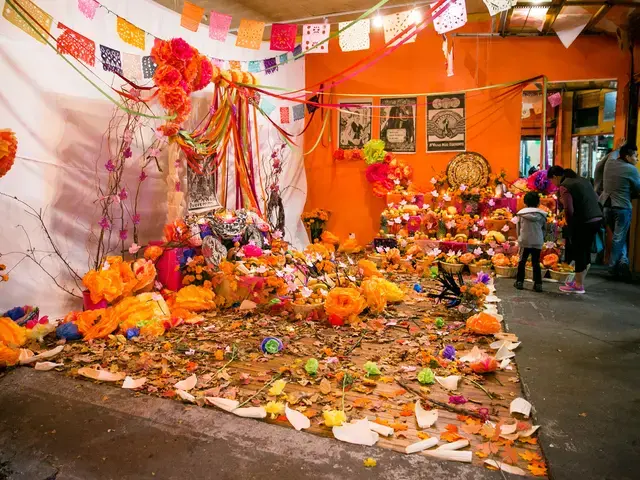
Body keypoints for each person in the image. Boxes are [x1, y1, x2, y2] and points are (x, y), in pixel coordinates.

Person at [548, 166, 603, 294]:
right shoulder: (582, 180)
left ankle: (578, 285)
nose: (553, 184)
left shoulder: (565, 186)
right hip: (596, 218)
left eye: (552, 181)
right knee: (585, 250)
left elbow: (569, 209)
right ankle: (579, 281)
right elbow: (596, 197)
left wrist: (569, 223)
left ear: (555, 177)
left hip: (584, 221)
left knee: (579, 251)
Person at [599, 143, 640, 280]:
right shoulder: (631, 170)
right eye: (635, 156)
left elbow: (600, 164)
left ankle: (623, 263)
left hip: (606, 206)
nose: (637, 159)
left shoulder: (610, 163)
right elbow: (638, 188)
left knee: (618, 238)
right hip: (622, 207)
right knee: (619, 238)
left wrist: (618, 146)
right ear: (628, 157)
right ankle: (612, 268)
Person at [514, 192, 548, 292]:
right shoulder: (542, 215)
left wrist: (520, 238)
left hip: (525, 241)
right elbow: (544, 229)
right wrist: (541, 238)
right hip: (537, 241)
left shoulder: (521, 214)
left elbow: (518, 228)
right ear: (538, 203)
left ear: (525, 202)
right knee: (536, 262)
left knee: (522, 261)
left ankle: (519, 282)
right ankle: (538, 284)